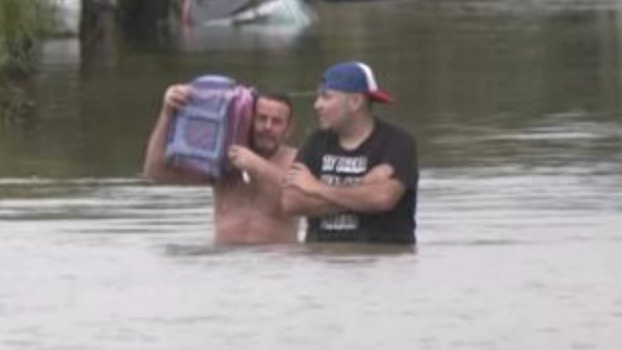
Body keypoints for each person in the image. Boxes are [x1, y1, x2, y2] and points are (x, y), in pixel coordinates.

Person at [142, 83, 299, 244]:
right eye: (261, 118)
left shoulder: (298, 160)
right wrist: (167, 113)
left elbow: (305, 197)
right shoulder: (223, 159)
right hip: (225, 262)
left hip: (277, 263)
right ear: (248, 119)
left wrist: (257, 166)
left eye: (276, 122)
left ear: (288, 128)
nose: (267, 127)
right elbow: (155, 172)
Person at [282, 61, 418, 243]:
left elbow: (382, 199)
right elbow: (291, 202)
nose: (317, 105)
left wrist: (316, 187)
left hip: (380, 263)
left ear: (355, 102)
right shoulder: (315, 141)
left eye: (326, 97)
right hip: (321, 265)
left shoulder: (398, 142)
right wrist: (362, 188)